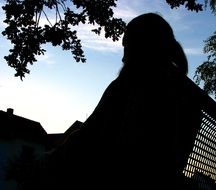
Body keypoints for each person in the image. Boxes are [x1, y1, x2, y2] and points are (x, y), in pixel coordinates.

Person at [26, 13, 203, 189]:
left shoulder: (132, 84)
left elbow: (87, 140)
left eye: (126, 45)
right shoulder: (189, 95)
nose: (123, 57)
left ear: (142, 46)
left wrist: (47, 160)